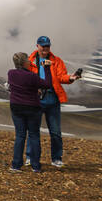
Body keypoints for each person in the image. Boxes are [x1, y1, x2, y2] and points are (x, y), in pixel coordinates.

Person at [28, 36, 83, 168]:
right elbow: (27, 78)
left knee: (56, 132)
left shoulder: (56, 61)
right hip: (36, 99)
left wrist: (71, 78)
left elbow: (61, 76)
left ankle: (56, 158)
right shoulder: (30, 61)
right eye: (43, 46)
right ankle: (30, 157)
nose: (45, 48)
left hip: (52, 99)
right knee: (33, 131)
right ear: (37, 46)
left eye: (47, 46)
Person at [6, 51, 43, 173]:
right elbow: (47, 84)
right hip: (32, 108)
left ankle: (16, 165)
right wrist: (47, 69)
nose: (30, 62)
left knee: (20, 136)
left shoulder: (11, 73)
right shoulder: (32, 76)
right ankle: (35, 166)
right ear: (24, 62)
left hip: (16, 107)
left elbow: (15, 86)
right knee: (34, 135)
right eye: (28, 60)